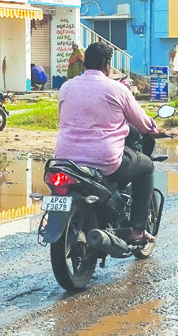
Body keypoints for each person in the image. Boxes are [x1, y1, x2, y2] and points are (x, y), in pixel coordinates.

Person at [54, 42, 162, 244]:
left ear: (85, 63)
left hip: (65, 160)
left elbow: (64, 117)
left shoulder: (66, 87)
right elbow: (140, 121)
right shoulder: (117, 89)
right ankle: (137, 230)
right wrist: (155, 130)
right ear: (107, 65)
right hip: (104, 161)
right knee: (146, 166)